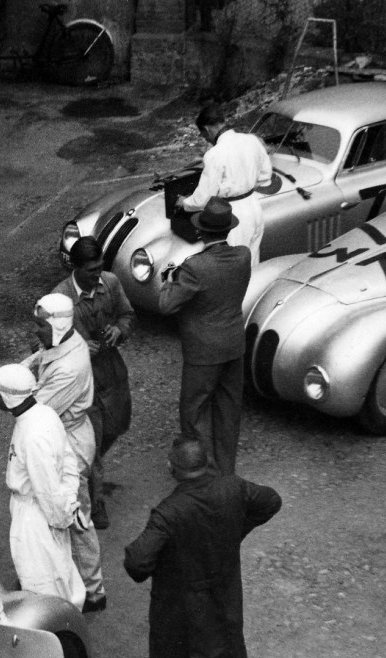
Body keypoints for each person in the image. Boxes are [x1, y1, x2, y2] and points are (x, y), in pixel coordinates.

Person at [123, 437, 281, 658]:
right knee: (221, 654)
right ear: (206, 462)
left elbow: (137, 561)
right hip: (225, 590)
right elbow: (271, 501)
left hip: (185, 600)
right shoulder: (233, 489)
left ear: (172, 469)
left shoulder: (169, 512)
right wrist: (236, 530)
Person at [21, 292, 107, 612]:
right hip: (63, 437)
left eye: (40, 326)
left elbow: (36, 409)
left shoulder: (69, 367)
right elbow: (40, 356)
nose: (36, 332)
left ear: (58, 325)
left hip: (68, 443)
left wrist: (15, 385)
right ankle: (55, 577)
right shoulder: (64, 343)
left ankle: (93, 588)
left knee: (75, 516)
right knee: (53, 512)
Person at [158, 197, 250, 477]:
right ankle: (225, 470)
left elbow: (166, 305)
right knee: (228, 410)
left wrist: (170, 280)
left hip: (202, 351)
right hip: (234, 344)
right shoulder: (243, 256)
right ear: (227, 229)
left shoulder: (194, 267)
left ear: (201, 231)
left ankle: (202, 472)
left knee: (195, 412)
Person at [55, 236, 135, 530]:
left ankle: (86, 470)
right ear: (75, 269)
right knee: (91, 443)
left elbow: (127, 315)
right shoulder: (59, 300)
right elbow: (41, 345)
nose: (97, 275)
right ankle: (94, 501)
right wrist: (74, 345)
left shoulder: (111, 283)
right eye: (91, 270)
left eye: (100, 267)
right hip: (80, 385)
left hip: (111, 372)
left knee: (119, 425)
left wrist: (119, 330)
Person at [0, 363, 85, 610]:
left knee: (41, 582)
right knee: (55, 570)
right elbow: (69, 462)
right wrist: (69, 501)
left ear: (7, 396)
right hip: (43, 508)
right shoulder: (45, 414)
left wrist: (61, 517)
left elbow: (47, 489)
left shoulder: (33, 436)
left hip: (36, 516)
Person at [176, 103, 272, 264]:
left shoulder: (214, 154)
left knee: (234, 264)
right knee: (252, 261)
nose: (206, 140)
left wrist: (184, 203)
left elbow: (203, 198)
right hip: (255, 207)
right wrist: (245, 185)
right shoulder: (252, 141)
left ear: (206, 130)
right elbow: (266, 176)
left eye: (204, 135)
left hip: (233, 214)